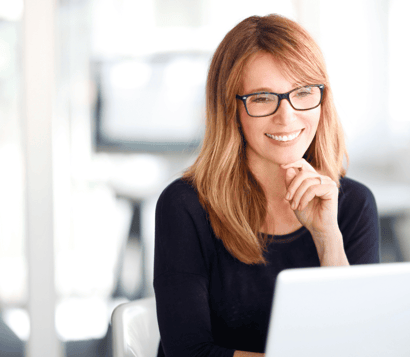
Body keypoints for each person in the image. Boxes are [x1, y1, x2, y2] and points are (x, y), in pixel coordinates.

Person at [153, 14, 380, 357]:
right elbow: (188, 351)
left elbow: (359, 344)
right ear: (231, 109)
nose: (286, 116)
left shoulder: (353, 204)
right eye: (262, 98)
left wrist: (327, 238)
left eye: (302, 92)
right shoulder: (184, 205)